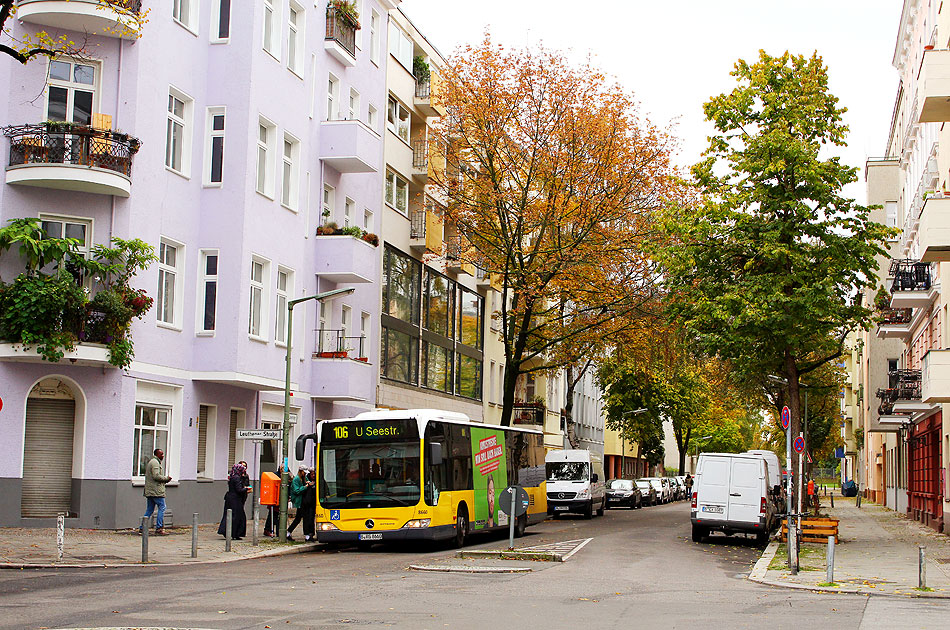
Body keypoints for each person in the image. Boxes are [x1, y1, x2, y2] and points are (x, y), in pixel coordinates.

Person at [142, 448, 172, 535]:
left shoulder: (152, 462)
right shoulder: (155, 463)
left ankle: (142, 528)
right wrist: (166, 479)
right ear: (157, 454)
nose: (163, 456)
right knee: (162, 507)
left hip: (150, 490)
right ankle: (159, 528)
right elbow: (156, 476)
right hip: (156, 491)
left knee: (150, 509)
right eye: (161, 454)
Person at [218, 462, 251, 539]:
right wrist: (246, 489)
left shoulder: (232, 476)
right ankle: (234, 533)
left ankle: (230, 532)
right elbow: (239, 489)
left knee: (230, 515)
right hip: (235, 499)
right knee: (236, 516)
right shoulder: (237, 478)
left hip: (230, 498)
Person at [286, 466, 311, 540]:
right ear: (301, 471)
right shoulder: (296, 479)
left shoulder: (304, 478)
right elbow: (297, 491)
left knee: (298, 518)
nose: (305, 474)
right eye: (304, 472)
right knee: (303, 518)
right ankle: (306, 535)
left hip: (303, 501)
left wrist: (308, 483)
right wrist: (306, 486)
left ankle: (289, 532)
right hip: (300, 501)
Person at [301, 468, 317, 541]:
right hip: (306, 503)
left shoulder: (318, 481)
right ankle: (307, 534)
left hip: (314, 504)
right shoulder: (306, 482)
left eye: (314, 474)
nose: (313, 475)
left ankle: (311, 533)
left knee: (311, 519)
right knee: (307, 519)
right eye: (312, 474)